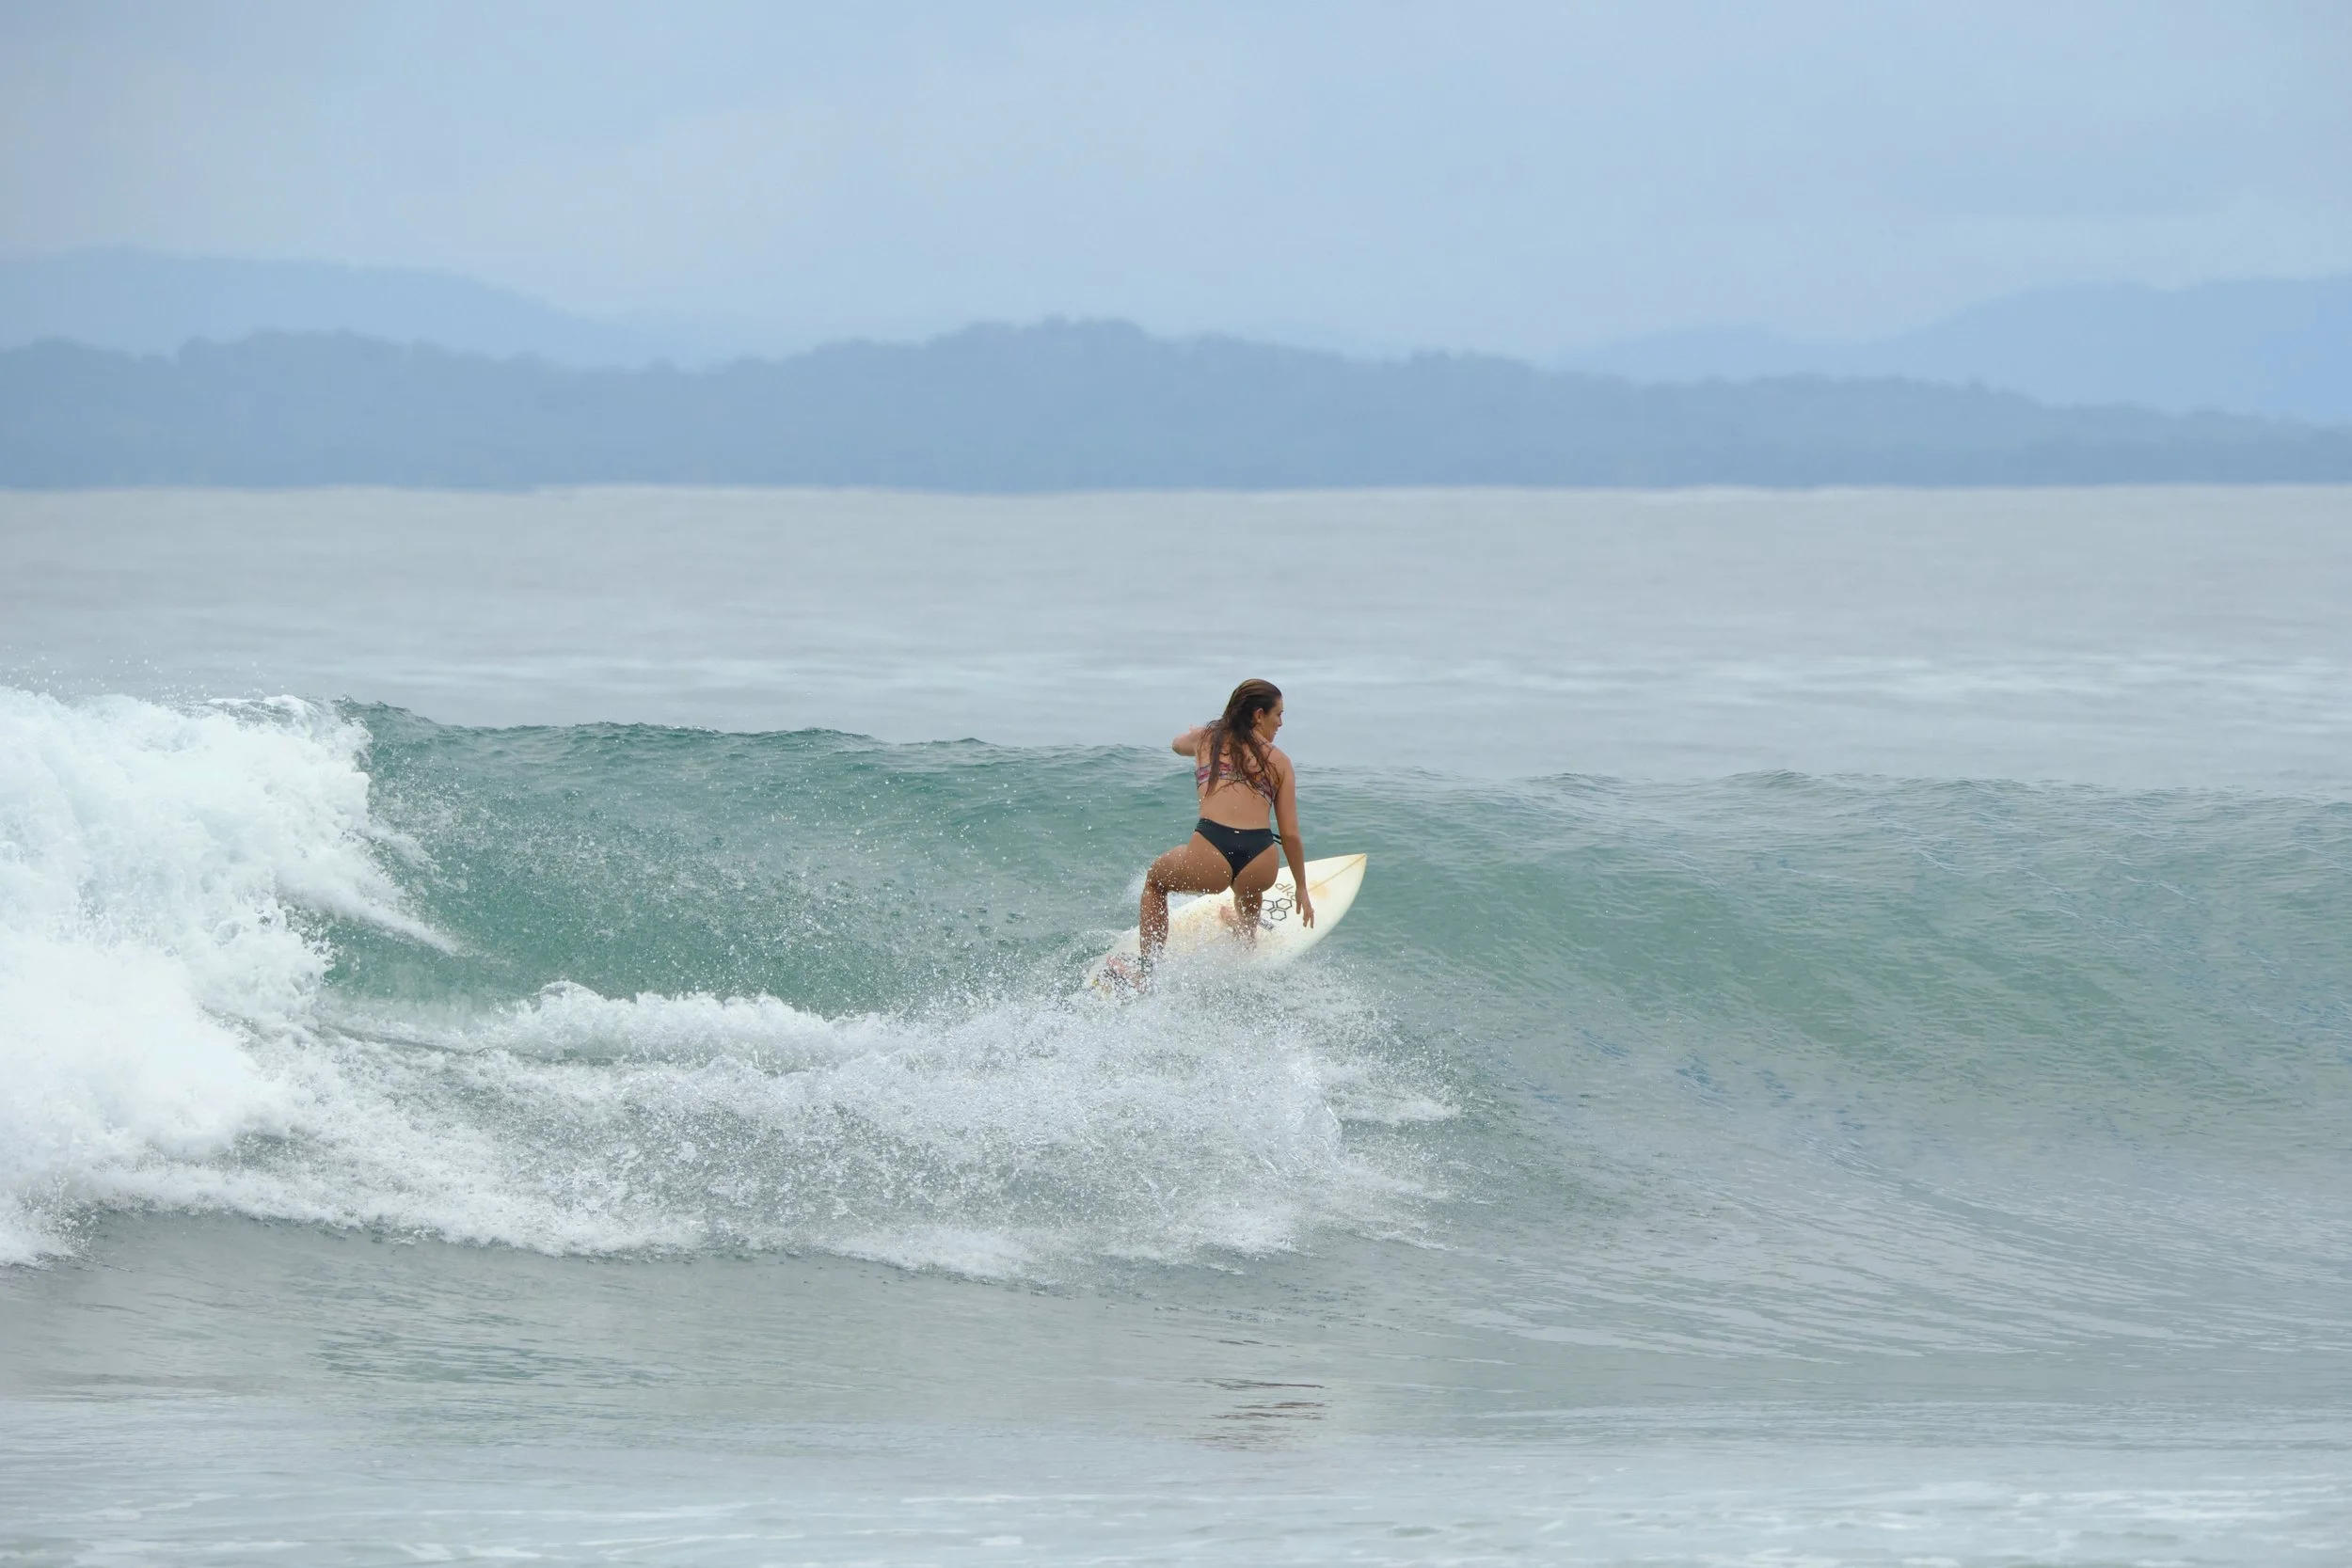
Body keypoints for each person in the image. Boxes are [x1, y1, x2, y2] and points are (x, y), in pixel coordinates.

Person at [1120, 678, 1314, 987]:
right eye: (1278, 714)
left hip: (1212, 848)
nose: (1281, 722)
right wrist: (1301, 888)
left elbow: (1175, 744)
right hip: (1261, 858)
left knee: (1156, 882)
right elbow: (1290, 833)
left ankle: (1147, 972)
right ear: (1258, 715)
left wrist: (1195, 734)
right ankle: (1246, 937)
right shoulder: (1282, 762)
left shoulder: (1208, 738)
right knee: (1249, 889)